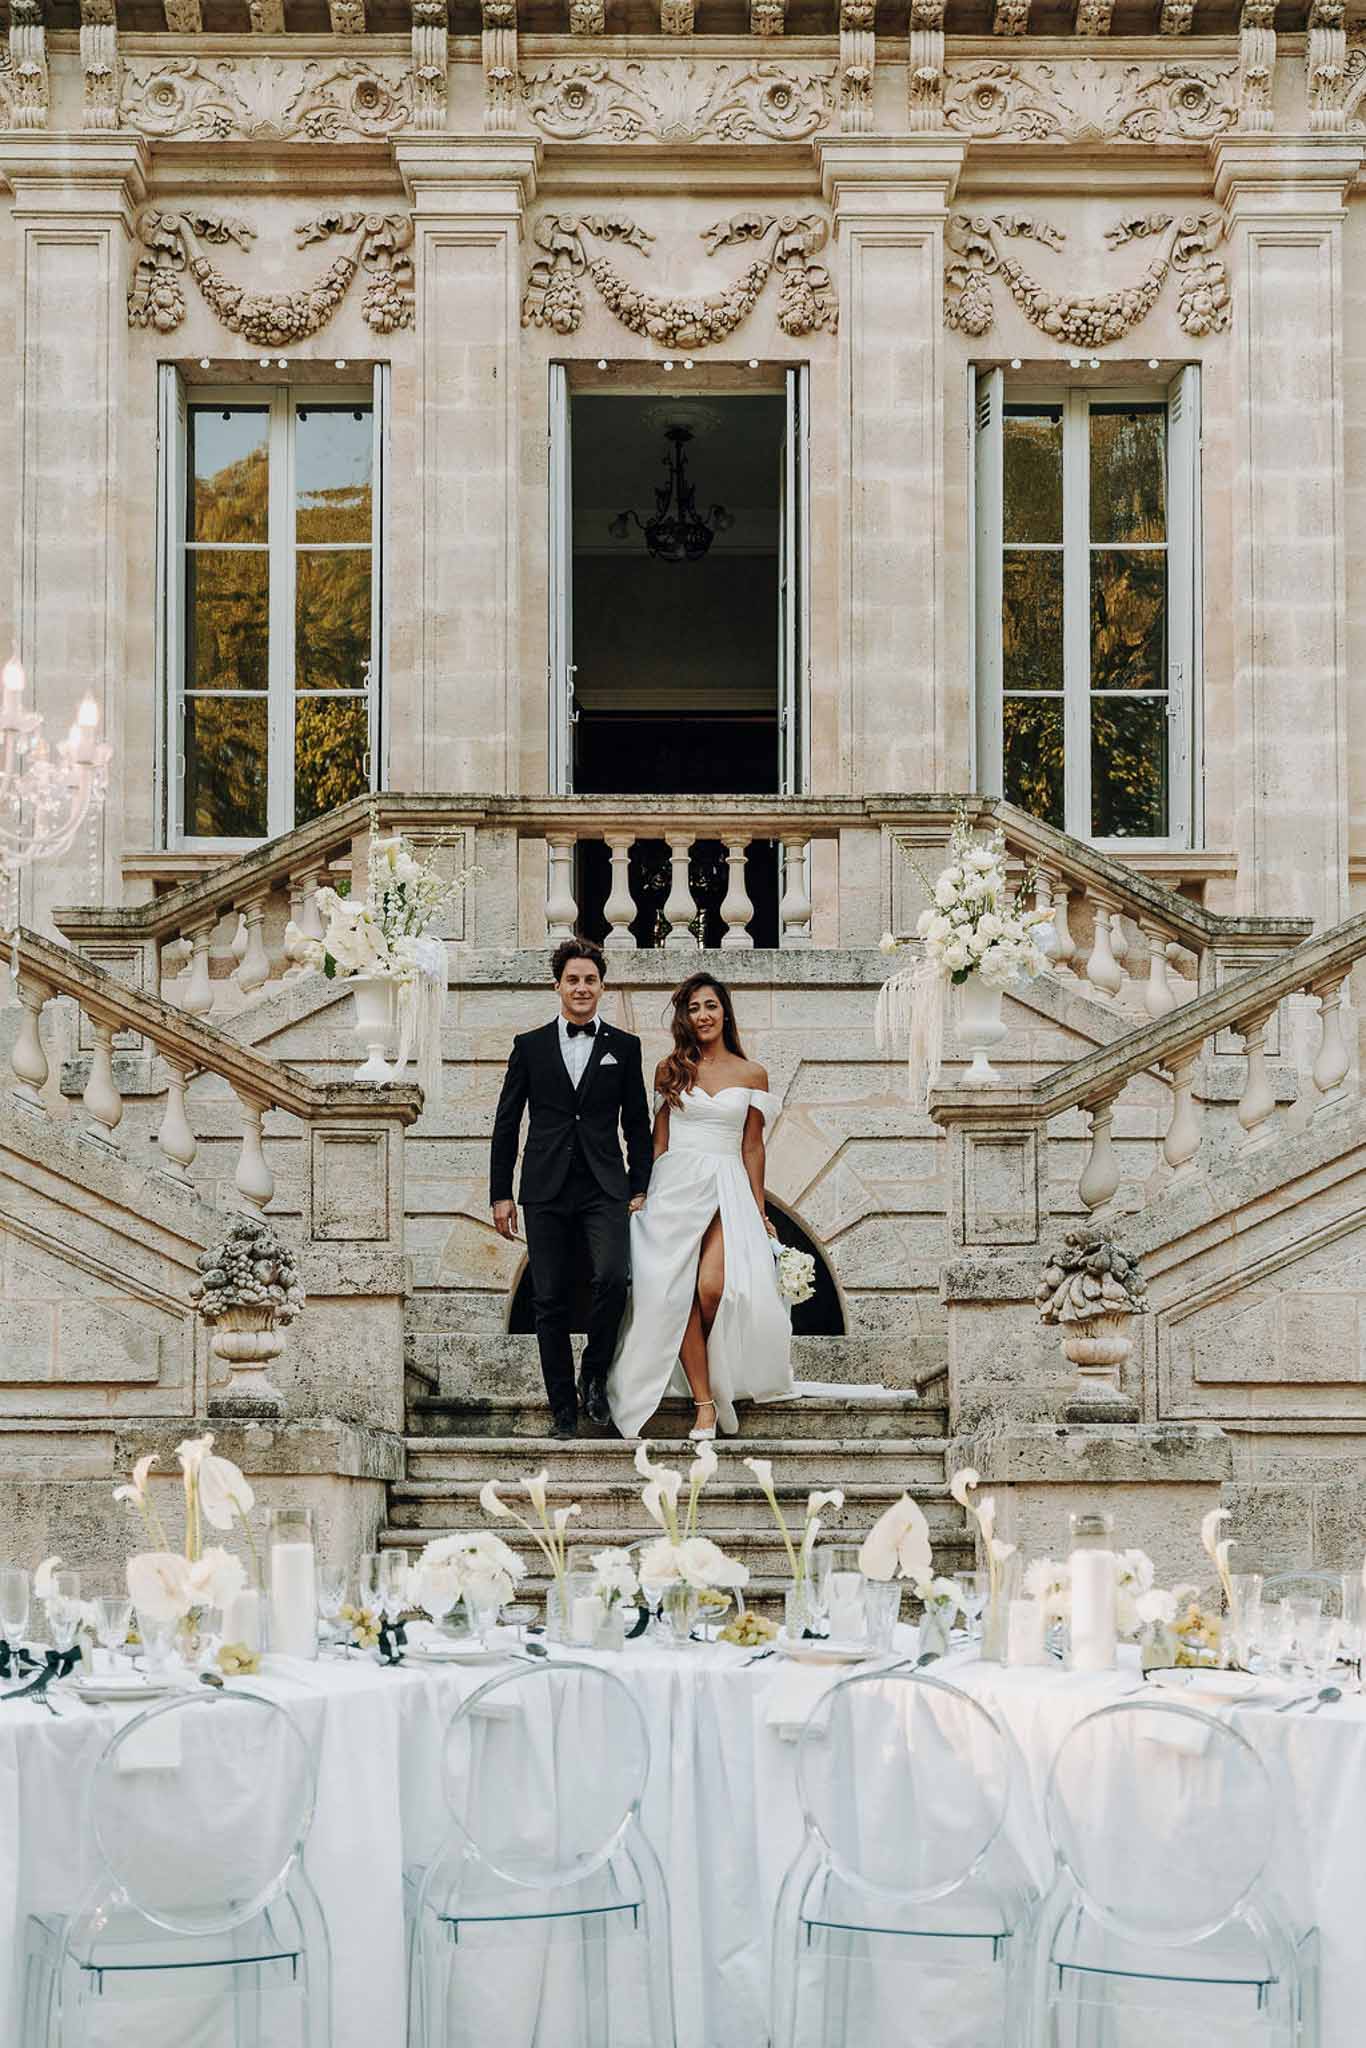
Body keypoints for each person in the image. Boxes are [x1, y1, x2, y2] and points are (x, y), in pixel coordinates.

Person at [607, 972, 794, 1442]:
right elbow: (659, 1140)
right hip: (675, 1187)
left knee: (712, 1288)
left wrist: (759, 1209)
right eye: (692, 1008)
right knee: (675, 1294)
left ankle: (710, 1372)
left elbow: (753, 1147)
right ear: (684, 1018)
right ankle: (705, 1403)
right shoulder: (671, 1070)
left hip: (727, 1183)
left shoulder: (752, 1074)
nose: (702, 1015)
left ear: (724, 1012)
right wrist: (643, 1191)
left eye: (709, 1006)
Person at [489, 938, 652, 1438]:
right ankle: (562, 1406)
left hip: (606, 1185)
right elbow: (507, 1122)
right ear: (557, 985)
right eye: (573, 979)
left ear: (602, 987)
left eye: (590, 980)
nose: (582, 988)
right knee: (550, 1298)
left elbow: (638, 1124)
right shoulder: (529, 1046)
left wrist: (641, 1184)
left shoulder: (625, 1048)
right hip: (545, 1187)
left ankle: (594, 1375)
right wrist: (501, 1192)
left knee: (611, 1278)